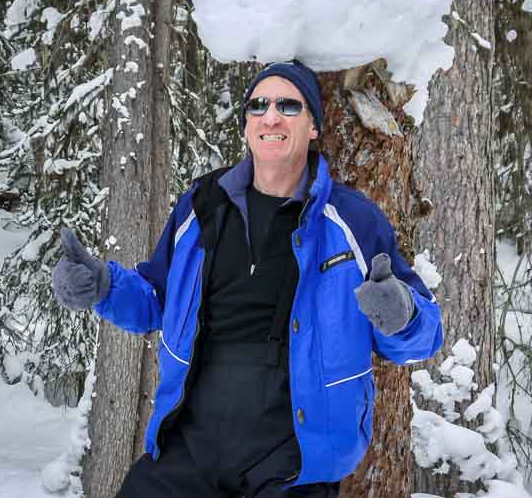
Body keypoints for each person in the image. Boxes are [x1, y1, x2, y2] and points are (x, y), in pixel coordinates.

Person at [52, 61, 443, 497]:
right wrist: (103, 287)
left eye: (288, 106)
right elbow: (155, 300)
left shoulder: (352, 220)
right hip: (191, 450)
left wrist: (401, 315)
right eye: (258, 105)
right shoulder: (201, 207)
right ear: (246, 126)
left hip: (294, 464)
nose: (271, 116)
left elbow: (423, 337)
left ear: (313, 126)